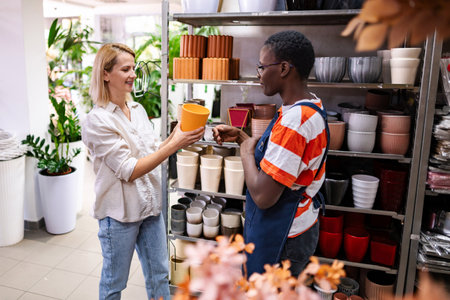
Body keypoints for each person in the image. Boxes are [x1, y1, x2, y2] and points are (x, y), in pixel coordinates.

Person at [82, 43, 204, 300]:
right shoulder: (97, 120)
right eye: (125, 69)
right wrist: (174, 145)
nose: (133, 75)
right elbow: (129, 169)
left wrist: (177, 135)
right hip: (119, 216)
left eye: (134, 68)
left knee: (159, 275)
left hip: (150, 209)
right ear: (105, 74)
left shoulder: (137, 110)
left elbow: (152, 151)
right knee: (114, 284)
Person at [213, 30, 329, 277]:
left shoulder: (295, 122)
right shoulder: (308, 107)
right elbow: (282, 161)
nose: (259, 75)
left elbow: (264, 196)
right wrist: (242, 136)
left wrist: (245, 153)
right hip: (297, 229)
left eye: (262, 67)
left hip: (283, 238)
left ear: (284, 68)